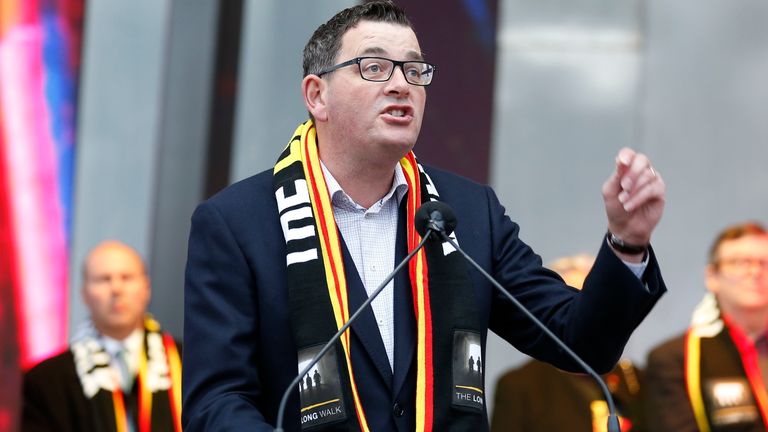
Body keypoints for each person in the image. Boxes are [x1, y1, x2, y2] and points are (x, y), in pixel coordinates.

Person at [182, 2, 667, 431]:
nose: (400, 85)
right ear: (317, 96)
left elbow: (580, 341)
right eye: (374, 67)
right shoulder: (237, 223)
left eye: (414, 71)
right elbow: (216, 402)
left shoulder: (466, 211)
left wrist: (626, 243)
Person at [21, 241, 182, 432]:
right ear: (84, 294)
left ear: (146, 288)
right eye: (103, 279)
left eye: (127, 277)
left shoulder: (188, 362)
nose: (116, 289)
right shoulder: (46, 381)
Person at [491, 254, 646, 431]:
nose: (591, 317)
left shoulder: (633, 379)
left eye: (597, 306)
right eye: (579, 307)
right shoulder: (520, 386)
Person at [646, 222, 768, 431]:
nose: (755, 272)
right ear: (712, 277)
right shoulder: (677, 359)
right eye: (740, 262)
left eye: (764, 263)